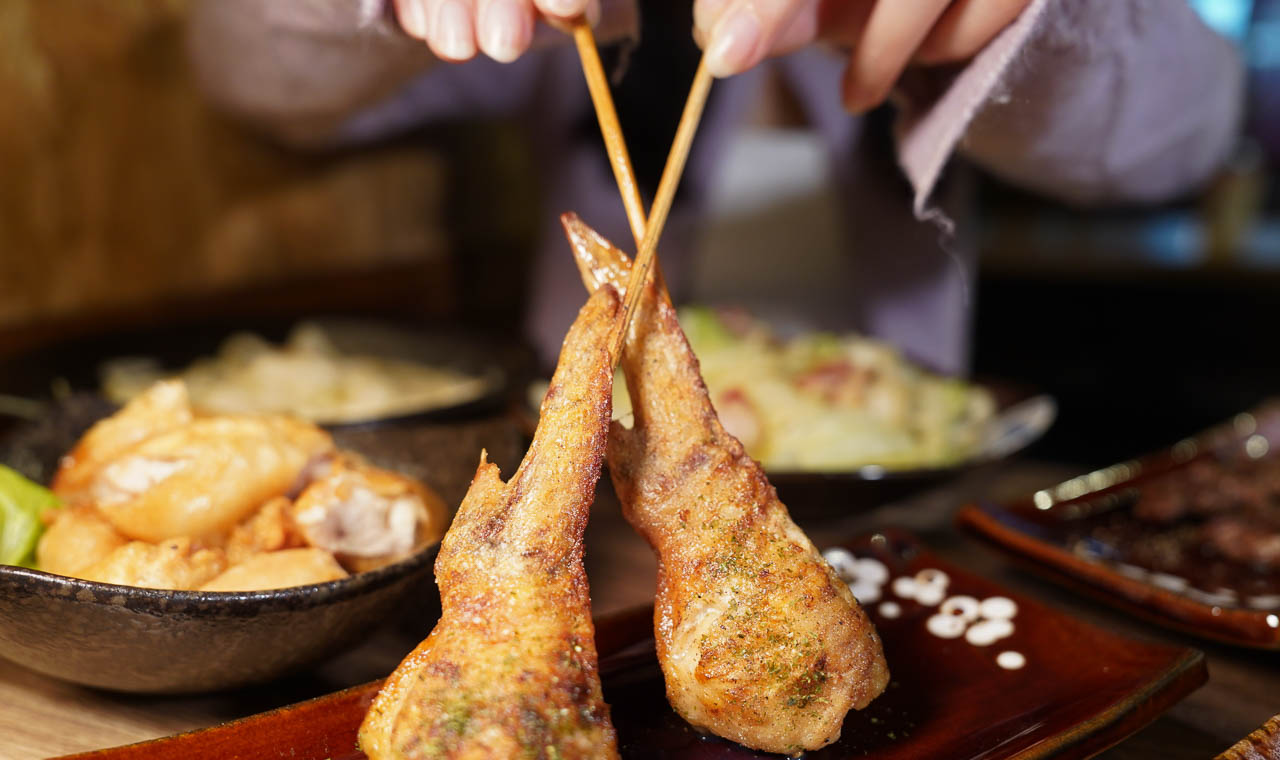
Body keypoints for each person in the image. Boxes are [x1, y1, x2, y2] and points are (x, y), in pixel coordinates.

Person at [188, 0, 1243, 373]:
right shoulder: (574, 28)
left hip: (906, 498)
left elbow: (1184, 138)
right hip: (589, 507)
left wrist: (1042, 21)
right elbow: (246, 78)